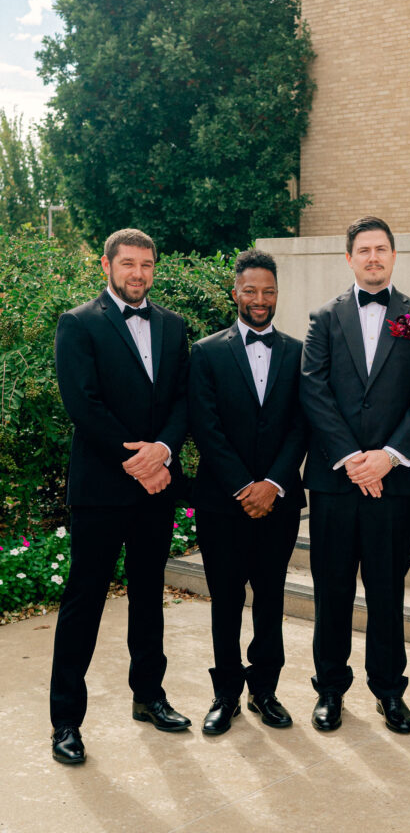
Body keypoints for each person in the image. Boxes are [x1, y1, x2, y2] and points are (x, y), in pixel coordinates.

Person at [50, 228, 190, 765]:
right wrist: (139, 464)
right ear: (106, 265)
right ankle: (66, 720)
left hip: (155, 487)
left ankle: (149, 696)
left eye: (146, 265)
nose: (137, 273)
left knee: (149, 595)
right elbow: (82, 405)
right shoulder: (79, 323)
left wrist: (164, 451)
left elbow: (182, 400)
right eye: (127, 263)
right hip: (103, 489)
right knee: (84, 601)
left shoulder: (173, 326)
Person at [300, 216, 410, 733]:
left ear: (394, 256)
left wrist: (389, 455)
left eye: (382, 249)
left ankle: (389, 691)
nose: (374, 257)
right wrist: (352, 458)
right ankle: (330, 691)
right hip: (335, 482)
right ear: (349, 259)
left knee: (387, 590)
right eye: (364, 250)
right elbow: (313, 388)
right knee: (331, 589)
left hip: (395, 482)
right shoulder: (323, 318)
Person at [189, 249, 306, 735]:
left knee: (271, 596)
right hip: (222, 501)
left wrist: (273, 484)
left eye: (269, 291)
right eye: (251, 291)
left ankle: (265, 690)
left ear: (277, 295)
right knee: (225, 598)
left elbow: (303, 424)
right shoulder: (206, 351)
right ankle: (226, 694)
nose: (260, 300)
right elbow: (205, 425)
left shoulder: (299, 352)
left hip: (279, 500)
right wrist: (243, 486)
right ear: (235, 293)